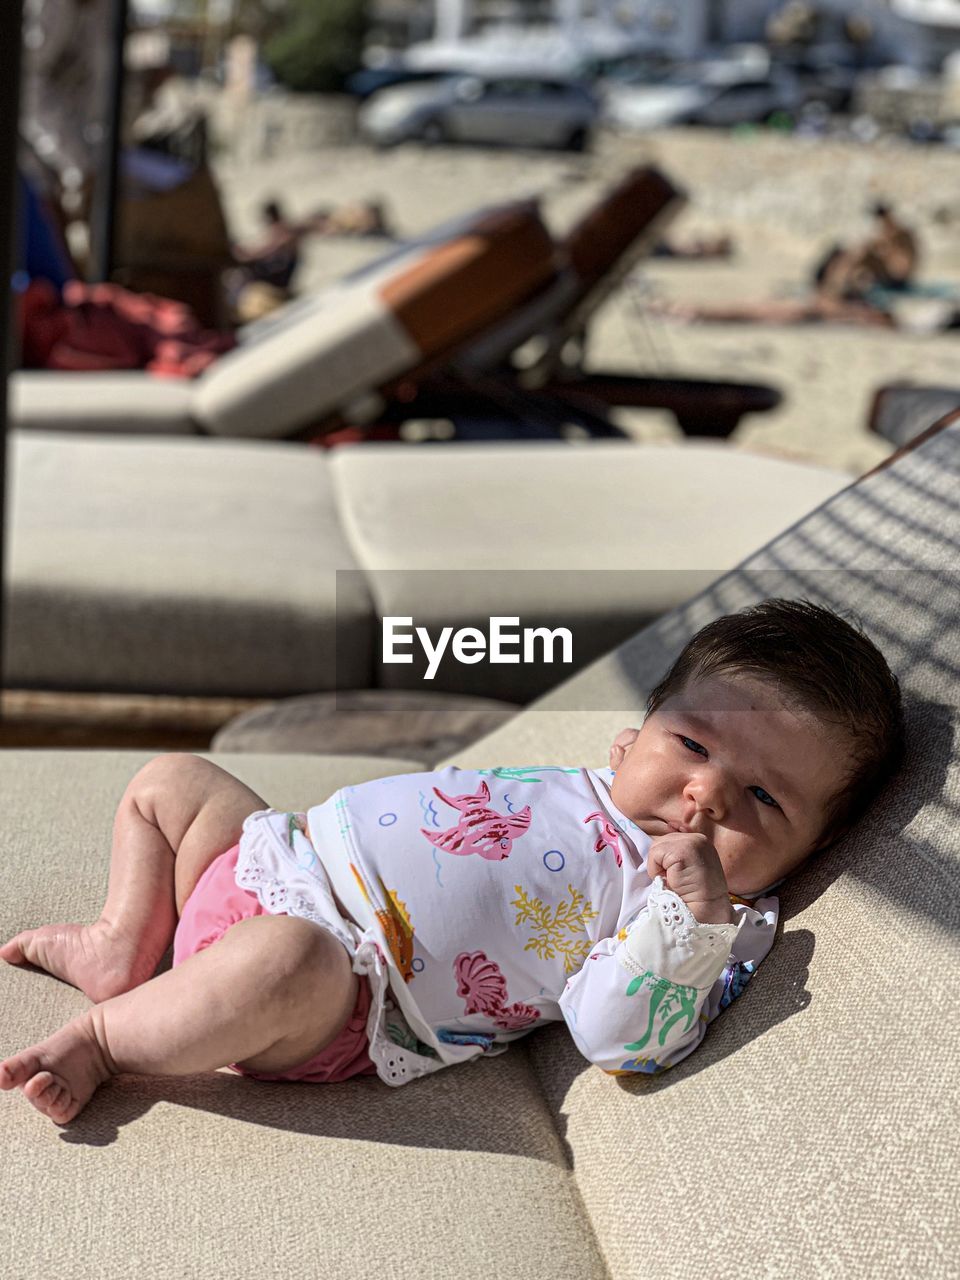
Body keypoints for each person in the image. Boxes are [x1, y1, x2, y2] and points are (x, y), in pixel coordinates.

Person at [0, 599, 904, 1124]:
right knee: (174, 779)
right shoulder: (613, 776)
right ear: (641, 730)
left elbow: (619, 1038)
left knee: (281, 961)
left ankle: (105, 1041)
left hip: (347, 989)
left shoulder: (703, 921)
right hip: (284, 857)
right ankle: (125, 943)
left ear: (810, 851)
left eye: (765, 800)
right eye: (692, 743)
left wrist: (689, 925)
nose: (707, 797)